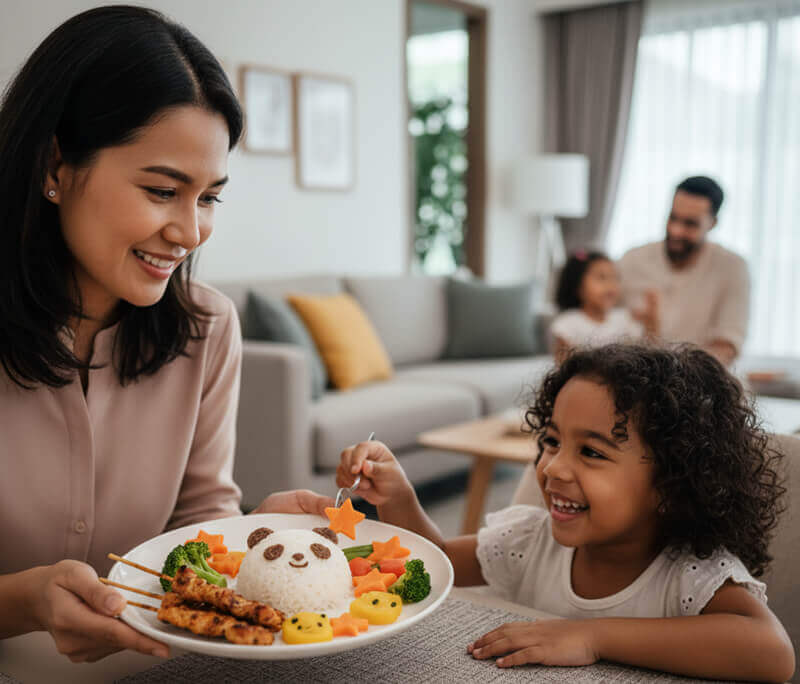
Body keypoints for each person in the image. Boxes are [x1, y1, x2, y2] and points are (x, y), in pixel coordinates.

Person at [0, 6, 332, 662]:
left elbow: (197, 522)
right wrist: (26, 600)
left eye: (208, 198)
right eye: (161, 190)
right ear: (54, 167)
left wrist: (255, 542)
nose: (190, 231)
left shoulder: (207, 330)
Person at [336, 344, 794, 682]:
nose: (553, 466)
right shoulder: (530, 541)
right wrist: (397, 495)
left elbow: (773, 654)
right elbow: (434, 561)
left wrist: (593, 637)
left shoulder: (690, 574)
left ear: (672, 485)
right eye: (552, 441)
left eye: (591, 452)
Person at [617, 176, 749, 367]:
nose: (676, 231)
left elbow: (727, 346)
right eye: (673, 218)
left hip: (702, 384)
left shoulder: (733, 267)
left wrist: (675, 372)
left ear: (712, 223)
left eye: (690, 224)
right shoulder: (632, 259)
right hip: (636, 378)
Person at [550, 250, 647, 361]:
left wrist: (651, 319)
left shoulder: (625, 318)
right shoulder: (568, 323)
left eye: (615, 278)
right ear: (578, 286)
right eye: (601, 277)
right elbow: (562, 365)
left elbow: (643, 352)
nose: (611, 285)